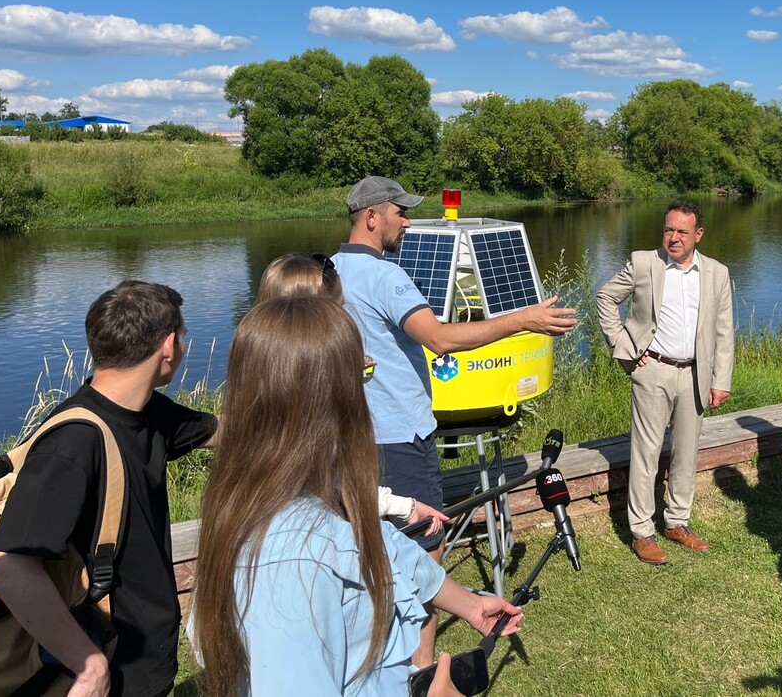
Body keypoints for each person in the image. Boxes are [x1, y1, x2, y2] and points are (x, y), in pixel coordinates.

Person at [191, 295, 521, 697]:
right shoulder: (293, 564)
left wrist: (469, 604)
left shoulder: (303, 492)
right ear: (330, 402)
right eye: (363, 373)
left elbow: (387, 548)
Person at [331, 176, 575, 664]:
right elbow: (439, 338)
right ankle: (420, 671)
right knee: (426, 552)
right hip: (401, 437)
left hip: (353, 436)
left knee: (368, 549)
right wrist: (519, 320)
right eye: (400, 212)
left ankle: (371, 657)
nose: (407, 221)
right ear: (372, 216)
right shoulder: (386, 276)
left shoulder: (329, 272)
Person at [0, 281, 219, 697]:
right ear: (168, 346)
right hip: (111, 667)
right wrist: (89, 664)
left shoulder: (146, 410)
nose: (186, 344)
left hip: (144, 659)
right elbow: (8, 567)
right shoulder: (73, 444)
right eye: (184, 335)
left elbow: (222, 432)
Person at [256, 253, 447, 537]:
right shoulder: (309, 399)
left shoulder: (264, 370)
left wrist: (402, 506)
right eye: (339, 310)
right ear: (313, 315)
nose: (346, 322)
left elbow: (336, 481)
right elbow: (327, 484)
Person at [595, 199, 734, 565]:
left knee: (687, 452)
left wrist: (721, 379)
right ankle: (642, 532)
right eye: (669, 229)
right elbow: (605, 298)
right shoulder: (645, 263)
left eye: (682, 231)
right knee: (646, 454)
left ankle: (677, 522)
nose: (673, 238)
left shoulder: (717, 273)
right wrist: (625, 347)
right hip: (652, 370)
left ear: (698, 235)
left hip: (695, 374)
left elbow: (723, 331)